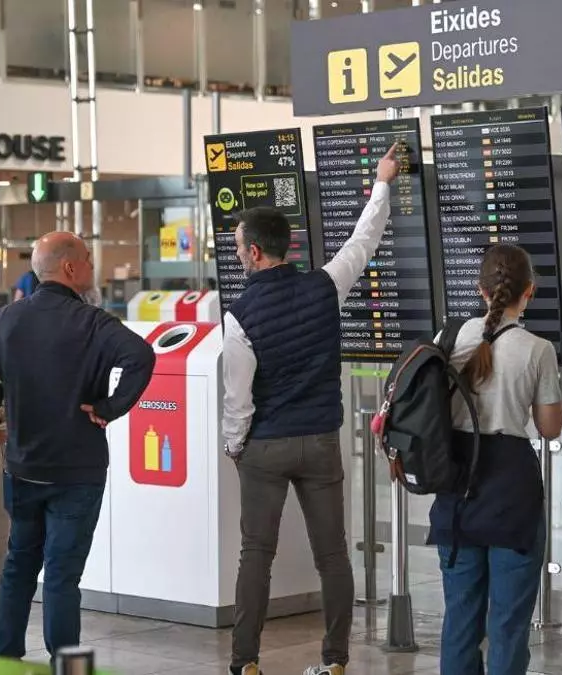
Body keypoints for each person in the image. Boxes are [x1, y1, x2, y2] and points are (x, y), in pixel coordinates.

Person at [223, 143, 402, 675]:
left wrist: (236, 446)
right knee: (332, 555)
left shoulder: (239, 316)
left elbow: (238, 399)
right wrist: (382, 181)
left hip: (266, 446)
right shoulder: (326, 287)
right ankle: (335, 661)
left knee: (256, 554)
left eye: (239, 247)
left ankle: (246, 663)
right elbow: (364, 240)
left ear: (257, 252)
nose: (237, 254)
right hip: (322, 442)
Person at [0, 232, 154, 660]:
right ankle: (65, 664)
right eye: (87, 258)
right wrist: (110, 408)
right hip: (78, 469)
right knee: (62, 575)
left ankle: (5, 657)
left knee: (18, 564)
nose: (92, 266)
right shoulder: (94, 322)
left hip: (23, 466)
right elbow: (141, 357)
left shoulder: (7, 319)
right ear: (70, 268)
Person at [427, 244, 562, 675]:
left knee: (460, 619)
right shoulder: (538, 349)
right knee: (508, 624)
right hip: (512, 490)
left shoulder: (449, 338)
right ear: (529, 291)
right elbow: (550, 428)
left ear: (480, 289)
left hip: (456, 485)